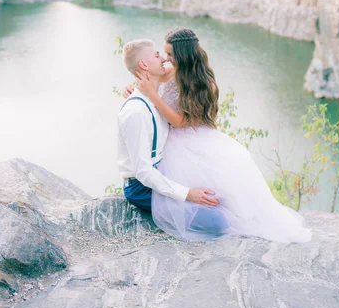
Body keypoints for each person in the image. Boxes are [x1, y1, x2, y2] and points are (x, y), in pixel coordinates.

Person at [132, 27, 312, 244]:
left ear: (183, 53)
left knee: (220, 194)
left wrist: (152, 96)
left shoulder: (206, 84)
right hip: (170, 139)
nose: (167, 59)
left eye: (170, 54)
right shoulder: (171, 71)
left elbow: (181, 122)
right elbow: (148, 83)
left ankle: (231, 219)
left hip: (189, 140)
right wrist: (136, 92)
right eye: (165, 54)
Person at [117, 39, 230, 239]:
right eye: (157, 55)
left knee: (223, 197)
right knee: (218, 222)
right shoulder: (136, 111)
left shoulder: (153, 97)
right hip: (142, 188)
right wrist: (188, 194)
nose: (163, 59)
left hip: (160, 173)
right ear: (144, 65)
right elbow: (143, 171)